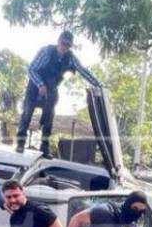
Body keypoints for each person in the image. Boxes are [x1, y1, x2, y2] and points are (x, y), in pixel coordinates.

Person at [16, 30, 100, 159]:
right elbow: (31, 68)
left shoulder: (70, 57)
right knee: (27, 113)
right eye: (63, 43)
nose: (64, 47)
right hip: (35, 86)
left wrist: (98, 84)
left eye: (68, 45)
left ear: (70, 46)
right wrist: (40, 84)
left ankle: (44, 147)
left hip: (51, 89)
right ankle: (21, 143)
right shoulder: (46, 52)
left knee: (49, 117)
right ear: (58, 42)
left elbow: (83, 70)